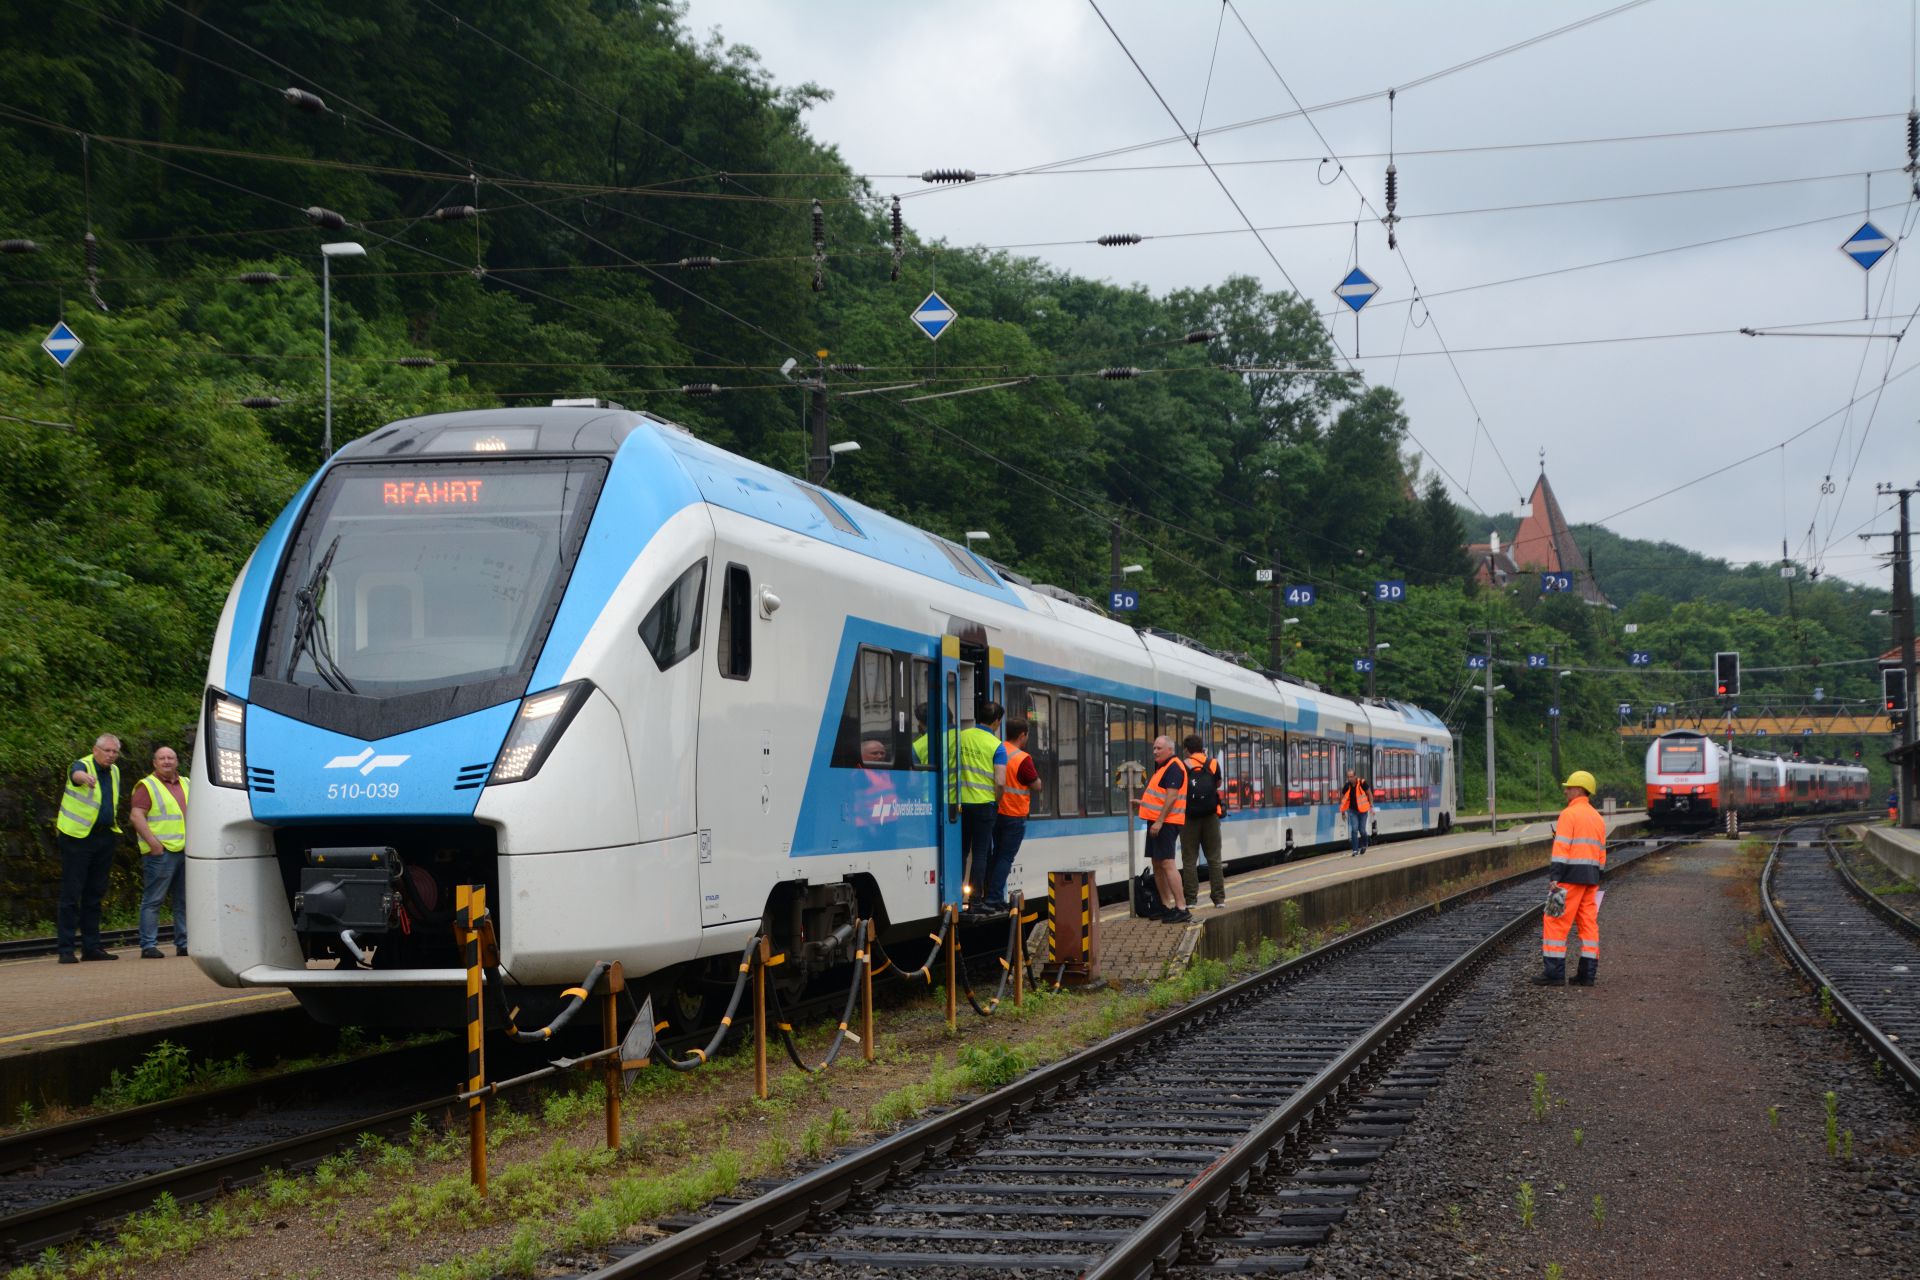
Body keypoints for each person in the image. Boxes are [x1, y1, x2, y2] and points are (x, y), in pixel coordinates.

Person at [54, 733, 125, 964]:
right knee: (71, 894)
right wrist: (83, 778)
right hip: (77, 837)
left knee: (95, 895)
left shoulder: (114, 771)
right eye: (107, 751)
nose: (111, 755)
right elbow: (75, 775)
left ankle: (91, 947)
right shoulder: (81, 765)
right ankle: (66, 949)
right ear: (95, 750)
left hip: (104, 837)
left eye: (115, 752)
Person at [1537, 769, 1607, 987]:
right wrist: (1597, 876)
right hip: (1591, 879)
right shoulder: (1597, 817)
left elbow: (1561, 848)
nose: (1566, 791)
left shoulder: (1569, 814)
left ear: (1579, 789)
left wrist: (1555, 877)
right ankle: (1587, 975)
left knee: (1554, 921)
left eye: (1569, 787)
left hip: (1568, 877)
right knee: (1588, 924)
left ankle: (1554, 973)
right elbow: (1602, 852)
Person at [130, 745, 191, 959]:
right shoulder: (147, 786)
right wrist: (154, 844)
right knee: (153, 900)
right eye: (162, 758)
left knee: (184, 900)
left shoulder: (187, 783)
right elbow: (136, 816)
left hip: (186, 850)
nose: (167, 761)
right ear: (154, 763)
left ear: (177, 761)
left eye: (170, 758)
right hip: (161, 853)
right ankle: (148, 945)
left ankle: (184, 943)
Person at [983, 718, 1041, 912]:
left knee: (995, 855)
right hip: (1013, 815)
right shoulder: (1023, 758)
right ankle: (993, 898)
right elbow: (1036, 785)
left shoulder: (997, 750)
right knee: (1005, 857)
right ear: (1022, 735)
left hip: (995, 813)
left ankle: (988, 894)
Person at [1137, 735, 1190, 923]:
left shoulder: (1174, 767)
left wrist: (1160, 821)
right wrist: (1142, 803)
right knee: (1157, 863)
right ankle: (1166, 906)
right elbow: (1159, 797)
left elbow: (1172, 796)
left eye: (1159, 748)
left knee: (1167, 863)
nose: (1155, 752)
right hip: (1157, 821)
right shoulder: (1163, 768)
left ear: (1170, 749)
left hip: (1166, 822)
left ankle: (1181, 907)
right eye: (1154, 748)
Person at [957, 702, 1004, 913]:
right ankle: (976, 900)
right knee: (981, 854)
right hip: (985, 805)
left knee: (962, 851)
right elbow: (1001, 781)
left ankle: (955, 895)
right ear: (996, 721)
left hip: (960, 804)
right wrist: (998, 801)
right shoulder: (996, 745)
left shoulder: (961, 736)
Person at [1178, 733, 1226, 908]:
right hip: (1210, 816)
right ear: (1201, 747)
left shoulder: (1183, 765)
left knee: (1189, 859)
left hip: (1189, 817)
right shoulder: (1213, 763)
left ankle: (1191, 900)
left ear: (1187, 749)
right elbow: (1218, 784)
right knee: (1214, 858)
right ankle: (1219, 899)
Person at [1338, 769, 1372, 857]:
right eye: (1348, 777)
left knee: (1362, 830)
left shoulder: (1362, 783)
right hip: (1353, 811)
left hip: (1363, 811)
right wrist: (1342, 812)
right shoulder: (1347, 786)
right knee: (1354, 829)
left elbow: (1369, 794)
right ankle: (1355, 850)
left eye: (1351, 777)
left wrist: (1371, 806)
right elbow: (1342, 799)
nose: (1350, 779)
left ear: (1355, 776)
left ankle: (1364, 844)